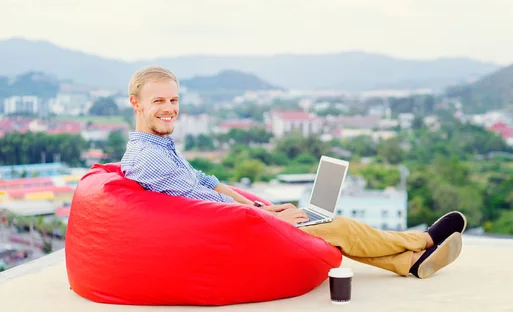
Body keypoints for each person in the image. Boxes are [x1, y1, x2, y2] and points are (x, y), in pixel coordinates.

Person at [121, 66, 467, 279]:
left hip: (240, 223)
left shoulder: (159, 148)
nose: (170, 109)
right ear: (136, 103)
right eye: (159, 102)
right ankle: (422, 241)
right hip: (227, 238)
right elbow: (209, 212)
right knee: (335, 226)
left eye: (173, 100)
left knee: (318, 222)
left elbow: (210, 186)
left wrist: (262, 209)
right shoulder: (149, 158)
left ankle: (409, 264)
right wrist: (270, 222)